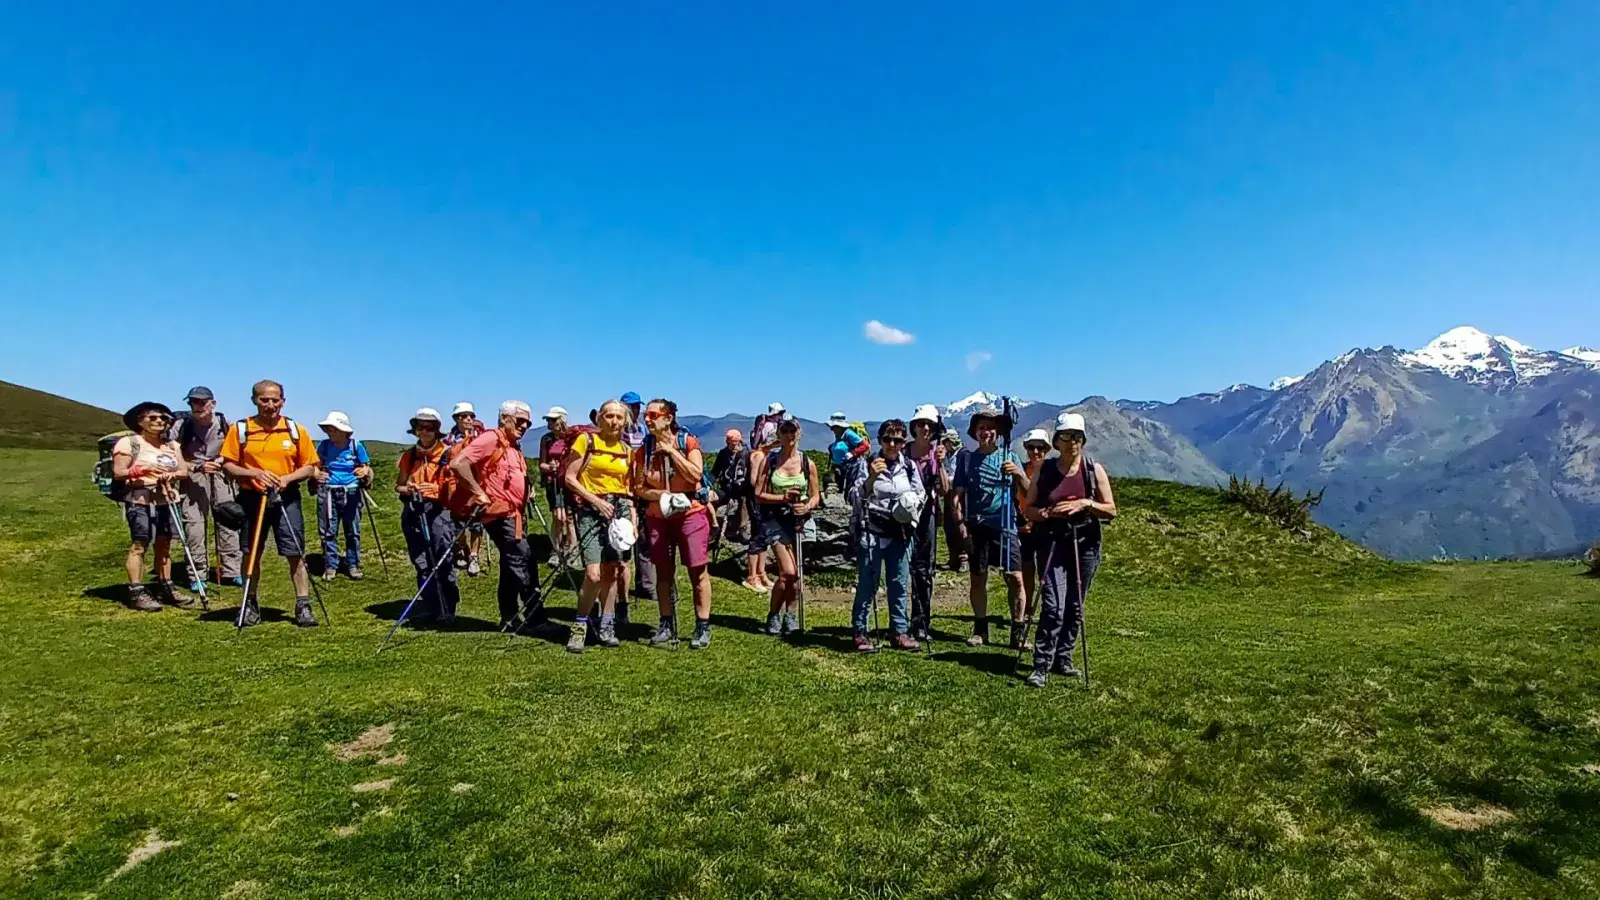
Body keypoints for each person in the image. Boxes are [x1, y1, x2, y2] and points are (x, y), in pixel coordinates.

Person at [1021, 413, 1117, 687]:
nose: (1072, 442)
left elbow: (1111, 510)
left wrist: (1085, 504)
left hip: (1085, 544)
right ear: (1057, 441)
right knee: (1053, 606)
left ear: (1083, 440)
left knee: (1075, 606)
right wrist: (1049, 513)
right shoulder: (1045, 470)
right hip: (1052, 542)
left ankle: (1063, 658)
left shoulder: (1092, 469)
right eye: (1066, 436)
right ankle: (1041, 664)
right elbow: (1029, 509)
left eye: (1077, 437)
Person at [219, 380, 321, 627]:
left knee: (295, 551)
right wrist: (255, 473)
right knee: (250, 552)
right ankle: (249, 603)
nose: (270, 405)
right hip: (252, 498)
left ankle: (303, 605)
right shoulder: (241, 429)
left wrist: (287, 478)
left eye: (275, 400)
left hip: (287, 496)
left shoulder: (295, 430)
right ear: (255, 400)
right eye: (264, 399)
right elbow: (228, 465)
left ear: (283, 401)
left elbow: (310, 466)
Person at [449, 400, 552, 636]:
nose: (524, 426)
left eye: (528, 423)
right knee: (523, 560)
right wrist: (478, 492)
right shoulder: (491, 439)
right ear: (505, 418)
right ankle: (535, 619)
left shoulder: (512, 445)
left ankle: (508, 617)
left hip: (514, 514)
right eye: (520, 421)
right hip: (500, 514)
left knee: (510, 564)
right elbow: (458, 463)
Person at [633, 399, 716, 649]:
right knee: (663, 573)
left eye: (653, 415)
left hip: (691, 514)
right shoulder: (644, 450)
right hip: (658, 517)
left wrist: (671, 452)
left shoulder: (687, 442)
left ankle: (702, 625)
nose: (647, 419)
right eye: (646, 415)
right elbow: (639, 487)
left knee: (697, 570)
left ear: (668, 418)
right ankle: (666, 623)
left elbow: (695, 474)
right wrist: (662, 495)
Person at [950, 405, 1030, 647]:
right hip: (976, 526)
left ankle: (1017, 631)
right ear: (975, 431)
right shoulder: (967, 460)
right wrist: (961, 526)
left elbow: (1029, 492)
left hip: (1005, 525)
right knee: (978, 577)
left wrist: (1018, 474)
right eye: (982, 428)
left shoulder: (1010, 457)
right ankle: (980, 630)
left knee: (1015, 577)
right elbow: (957, 496)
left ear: (998, 432)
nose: (986, 432)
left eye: (991, 428)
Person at [563, 399, 637, 652]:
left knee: (613, 570)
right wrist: (595, 501)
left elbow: (629, 489)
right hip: (590, 510)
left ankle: (607, 623)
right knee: (593, 574)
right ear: (599, 418)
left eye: (619, 417)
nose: (614, 421)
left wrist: (633, 520)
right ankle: (580, 624)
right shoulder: (586, 441)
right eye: (609, 416)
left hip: (619, 511)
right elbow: (570, 478)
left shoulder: (627, 450)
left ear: (625, 421)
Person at [847, 419, 926, 652]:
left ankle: (899, 632)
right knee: (868, 583)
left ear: (904, 442)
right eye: (887, 439)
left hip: (900, 532)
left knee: (899, 583)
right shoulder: (867, 464)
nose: (892, 444)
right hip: (872, 530)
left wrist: (911, 514)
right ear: (880, 440)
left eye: (898, 440)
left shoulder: (909, 466)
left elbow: (921, 494)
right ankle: (860, 632)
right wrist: (872, 478)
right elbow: (854, 497)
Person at [113, 402, 193, 611]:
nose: (159, 421)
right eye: (153, 417)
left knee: (164, 545)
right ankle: (136, 591)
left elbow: (183, 471)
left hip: (167, 500)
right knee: (140, 545)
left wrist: (172, 475)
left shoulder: (172, 446)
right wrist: (142, 470)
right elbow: (119, 472)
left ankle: (166, 586)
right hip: (141, 500)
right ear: (140, 421)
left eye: (164, 418)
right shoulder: (129, 443)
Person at [167, 385, 243, 588]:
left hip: (221, 475)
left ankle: (232, 571)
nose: (197, 406)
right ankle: (197, 574)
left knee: (228, 521)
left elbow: (236, 450)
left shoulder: (226, 424)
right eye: (193, 402)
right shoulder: (181, 426)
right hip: (192, 477)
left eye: (202, 402)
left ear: (213, 403)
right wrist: (196, 466)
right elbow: (172, 454)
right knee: (194, 526)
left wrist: (220, 461)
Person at [750, 416, 820, 635]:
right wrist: (783, 498)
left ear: (798, 434)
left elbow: (816, 495)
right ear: (778, 435)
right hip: (776, 519)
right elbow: (758, 494)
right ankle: (774, 614)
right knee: (788, 572)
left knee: (797, 573)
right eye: (785, 431)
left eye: (793, 431)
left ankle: (790, 616)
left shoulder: (807, 463)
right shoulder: (769, 461)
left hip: (800, 520)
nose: (789, 436)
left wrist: (807, 506)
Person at [395, 408, 461, 623]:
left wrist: (434, 489)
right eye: (420, 427)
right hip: (413, 510)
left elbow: (453, 487)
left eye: (429, 428)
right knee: (421, 561)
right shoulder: (410, 455)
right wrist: (410, 489)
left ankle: (448, 608)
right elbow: (399, 485)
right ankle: (432, 605)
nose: (424, 432)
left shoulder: (447, 454)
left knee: (442, 558)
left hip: (439, 512)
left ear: (436, 430)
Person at [905, 404, 951, 642]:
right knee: (902, 568)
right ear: (914, 427)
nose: (925, 428)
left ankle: (921, 621)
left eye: (929, 425)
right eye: (921, 424)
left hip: (927, 516)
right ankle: (900, 623)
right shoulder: (903, 452)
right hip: (903, 516)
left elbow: (945, 490)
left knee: (924, 570)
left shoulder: (937, 454)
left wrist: (940, 464)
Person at [313, 411, 372, 581]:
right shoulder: (324, 446)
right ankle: (330, 565)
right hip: (328, 490)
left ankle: (353, 564)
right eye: (328, 429)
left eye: (333, 429)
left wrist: (364, 471)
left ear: (344, 431)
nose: (330, 432)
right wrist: (317, 474)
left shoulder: (356, 445)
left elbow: (366, 465)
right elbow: (316, 465)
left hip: (351, 491)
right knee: (328, 530)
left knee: (352, 530)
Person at [618, 391, 654, 609]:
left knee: (645, 535)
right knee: (624, 534)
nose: (636, 410)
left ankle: (646, 584)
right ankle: (621, 582)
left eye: (637, 406)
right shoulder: (616, 430)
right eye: (632, 406)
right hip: (622, 486)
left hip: (641, 485)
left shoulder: (642, 429)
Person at [446, 401, 488, 575]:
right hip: (456, 486)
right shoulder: (448, 440)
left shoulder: (482, 437)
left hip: (476, 484)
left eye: (471, 416)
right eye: (464, 416)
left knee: (477, 523)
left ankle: (474, 556)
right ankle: (462, 547)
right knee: (458, 523)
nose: (469, 419)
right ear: (456, 419)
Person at [1018, 428, 1052, 628]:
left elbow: (1033, 491)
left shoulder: (1051, 472)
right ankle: (1027, 610)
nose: (1036, 451)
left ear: (1047, 449)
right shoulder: (1023, 468)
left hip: (1045, 527)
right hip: (1025, 528)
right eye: (1032, 447)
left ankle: (1049, 610)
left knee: (1046, 573)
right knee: (1026, 571)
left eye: (1040, 448)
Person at [536, 406, 577, 563]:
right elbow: (542, 464)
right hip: (553, 482)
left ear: (562, 421)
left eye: (553, 420)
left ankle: (572, 549)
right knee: (558, 516)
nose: (550, 423)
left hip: (569, 481)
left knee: (570, 516)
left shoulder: (572, 438)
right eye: (549, 420)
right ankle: (557, 549)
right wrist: (550, 467)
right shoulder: (546, 439)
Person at [941, 431, 970, 572]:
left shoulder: (964, 454)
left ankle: (964, 558)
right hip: (948, 493)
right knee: (949, 526)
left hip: (960, 496)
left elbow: (965, 476)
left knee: (960, 525)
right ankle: (953, 557)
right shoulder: (947, 456)